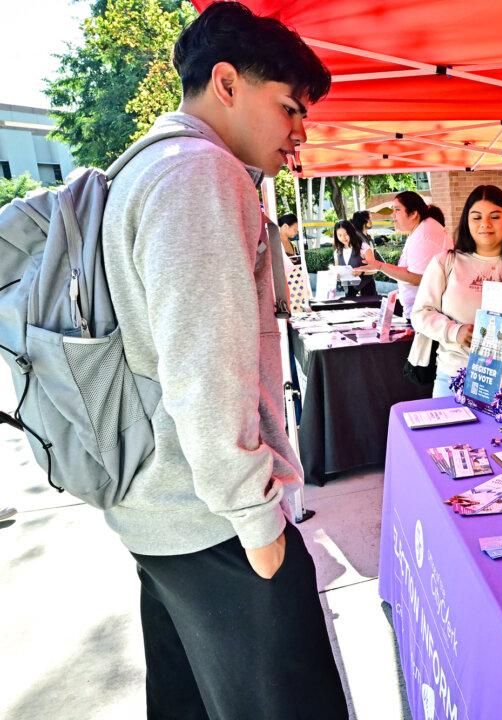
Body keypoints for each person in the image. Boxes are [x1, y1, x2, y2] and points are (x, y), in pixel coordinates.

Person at [100, 4, 348, 717]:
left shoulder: (146, 167)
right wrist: (259, 522)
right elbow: (205, 373)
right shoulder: (200, 175)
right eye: (290, 108)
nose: (301, 132)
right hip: (214, 522)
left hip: (168, 513)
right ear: (228, 83)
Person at [412, 185, 502, 397]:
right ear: (467, 222)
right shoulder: (445, 263)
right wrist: (455, 331)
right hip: (455, 374)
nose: (485, 224)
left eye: (495, 216)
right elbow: (420, 314)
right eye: (476, 217)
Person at [361, 190, 449, 319]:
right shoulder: (420, 230)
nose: (393, 215)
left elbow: (416, 278)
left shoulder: (424, 233)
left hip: (427, 317)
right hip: (422, 314)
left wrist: (380, 266)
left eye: (397, 210)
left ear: (413, 214)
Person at [332, 219, 378, 297]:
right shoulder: (337, 252)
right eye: (339, 235)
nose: (343, 237)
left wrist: (362, 271)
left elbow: (375, 269)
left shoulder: (364, 247)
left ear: (351, 232)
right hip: (350, 294)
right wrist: (336, 276)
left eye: (346, 234)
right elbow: (338, 271)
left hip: (367, 292)